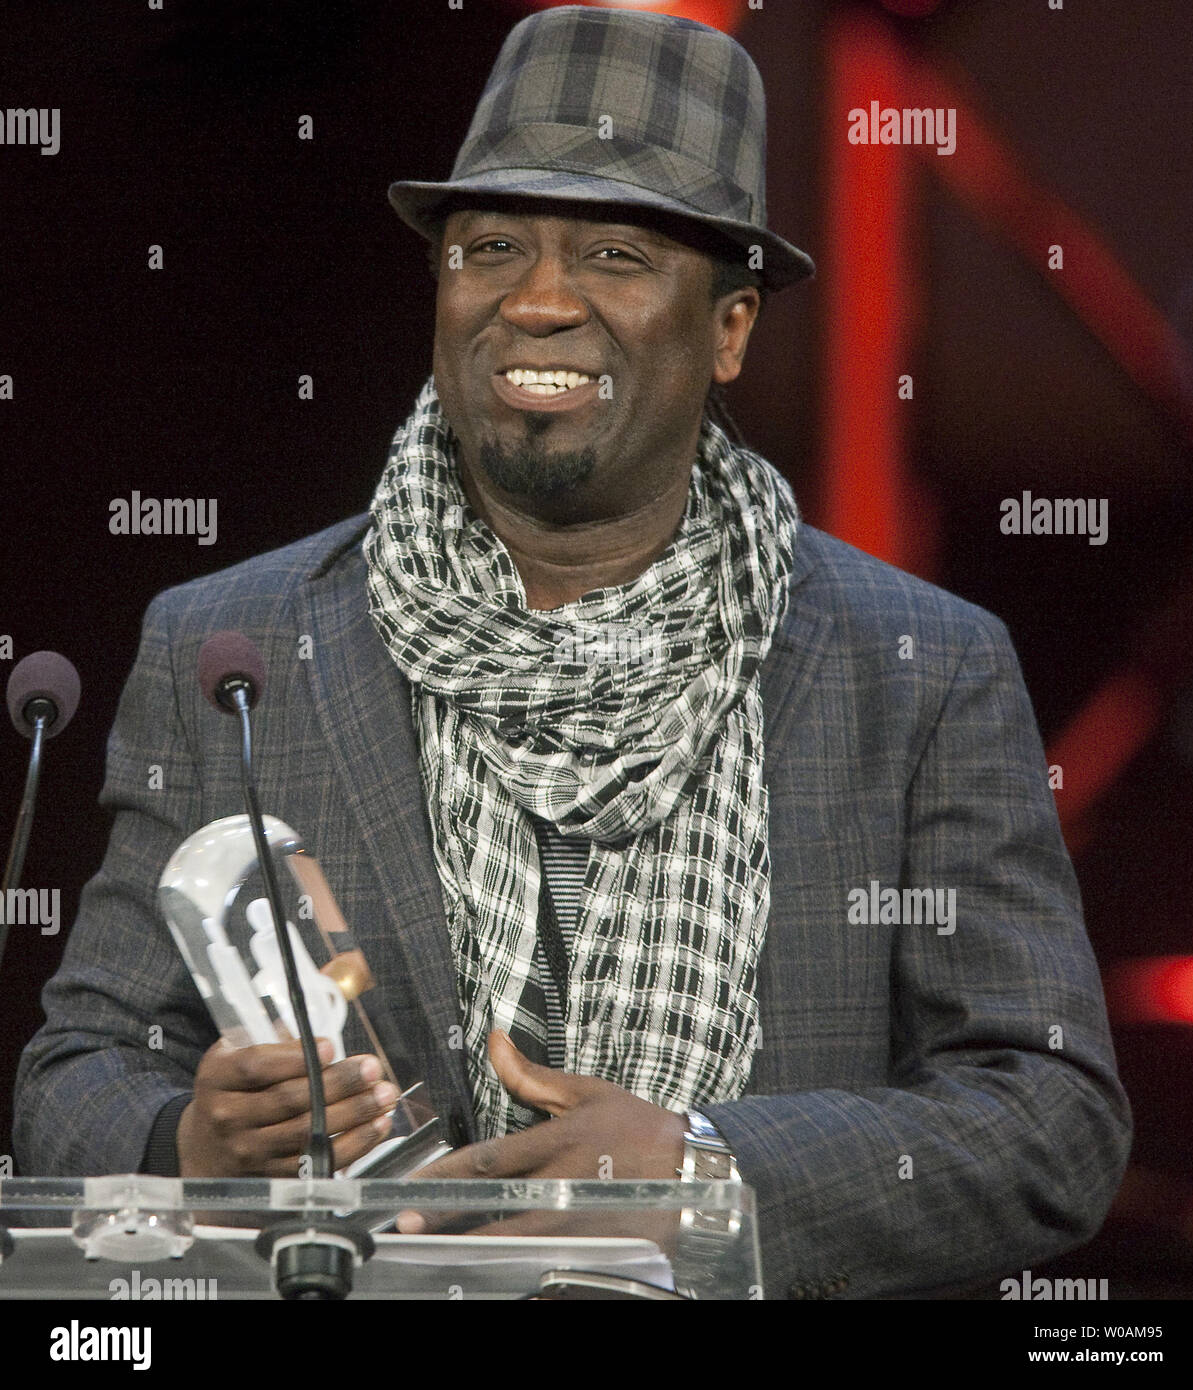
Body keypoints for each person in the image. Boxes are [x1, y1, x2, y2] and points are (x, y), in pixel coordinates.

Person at [14, 6, 1130, 1299]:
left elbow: (1049, 1116)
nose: (537, 301)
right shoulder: (232, 648)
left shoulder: (920, 670)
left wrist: (711, 1175)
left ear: (728, 329)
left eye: (612, 252)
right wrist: (189, 1143)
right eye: (489, 247)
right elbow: (74, 1076)